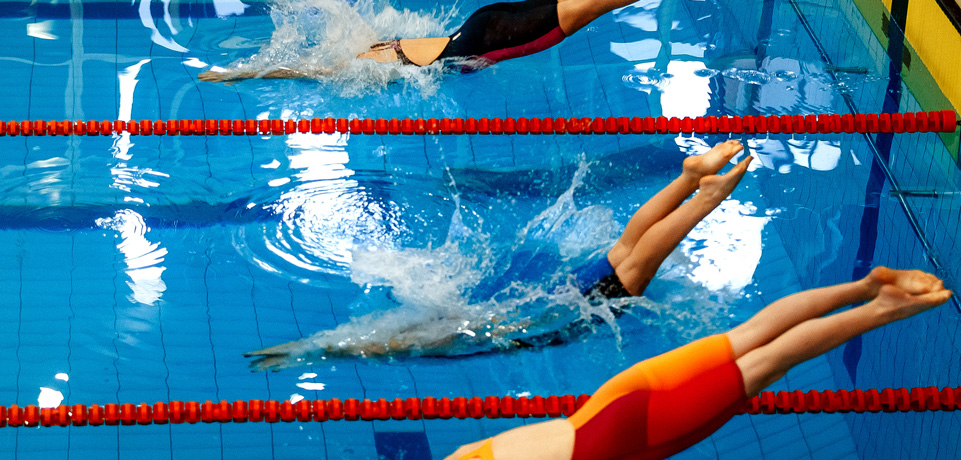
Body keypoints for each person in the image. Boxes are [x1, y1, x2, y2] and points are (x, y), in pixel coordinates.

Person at [322, 266, 950, 460]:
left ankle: (884, 308)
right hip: (618, 396)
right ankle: (866, 286)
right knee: (754, 334)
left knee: (766, 367)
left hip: (636, 430)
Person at [244, 141, 751, 368]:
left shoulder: (459, 334)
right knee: (625, 253)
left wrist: (313, 349)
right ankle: (689, 178)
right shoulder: (457, 325)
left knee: (632, 264)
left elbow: (380, 344)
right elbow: (378, 340)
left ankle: (699, 191)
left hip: (566, 298)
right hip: (561, 297)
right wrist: (312, 346)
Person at [199, 0, 638, 81]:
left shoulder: (378, 61)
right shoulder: (389, 47)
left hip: (491, 30)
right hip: (486, 25)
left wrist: (242, 75)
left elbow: (320, 71)